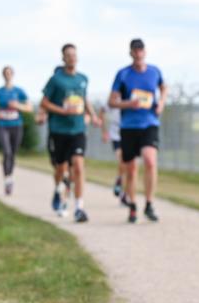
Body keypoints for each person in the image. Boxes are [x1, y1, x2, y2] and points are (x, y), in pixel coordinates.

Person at [109, 38, 166, 223]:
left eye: (141, 49)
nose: (138, 52)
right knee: (131, 169)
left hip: (149, 123)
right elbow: (112, 101)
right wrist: (128, 103)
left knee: (150, 160)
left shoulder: (154, 71)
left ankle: (149, 203)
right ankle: (133, 205)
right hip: (128, 126)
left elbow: (164, 87)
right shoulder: (123, 74)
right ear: (131, 52)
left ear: (145, 51)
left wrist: (161, 103)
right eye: (135, 50)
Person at [41, 44, 100, 223]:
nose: (72, 58)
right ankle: (59, 190)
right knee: (61, 169)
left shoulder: (83, 79)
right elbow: (44, 103)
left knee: (78, 165)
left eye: (74, 55)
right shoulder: (56, 80)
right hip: (59, 130)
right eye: (68, 55)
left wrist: (93, 116)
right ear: (63, 58)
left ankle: (79, 207)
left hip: (78, 129)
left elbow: (84, 99)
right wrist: (62, 110)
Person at [0, 66, 32, 195]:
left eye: (9, 73)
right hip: (2, 124)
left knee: (12, 153)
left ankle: (11, 176)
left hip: (16, 124)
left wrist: (17, 105)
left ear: (13, 74)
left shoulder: (19, 91)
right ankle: (7, 179)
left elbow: (29, 108)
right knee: (6, 151)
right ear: (3, 75)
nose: (8, 75)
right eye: (5, 73)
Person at [102, 106, 124, 198]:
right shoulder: (114, 97)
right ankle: (119, 181)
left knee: (129, 165)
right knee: (122, 160)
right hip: (116, 135)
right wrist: (104, 131)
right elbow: (102, 111)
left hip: (130, 132)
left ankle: (124, 189)